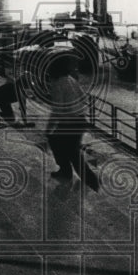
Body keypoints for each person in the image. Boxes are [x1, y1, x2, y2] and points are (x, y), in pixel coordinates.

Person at [44, 54, 98, 191]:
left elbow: (57, 109)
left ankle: (91, 182)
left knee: (71, 153)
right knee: (63, 146)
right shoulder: (70, 79)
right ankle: (67, 171)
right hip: (80, 120)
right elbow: (83, 96)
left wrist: (48, 128)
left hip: (69, 122)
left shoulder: (57, 85)